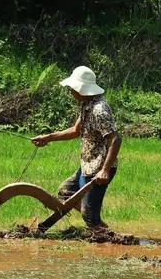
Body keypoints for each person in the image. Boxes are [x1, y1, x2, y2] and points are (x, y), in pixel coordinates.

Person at [31, 66, 122, 230]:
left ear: (82, 88)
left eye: (72, 88)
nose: (70, 91)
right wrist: (48, 137)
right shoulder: (86, 104)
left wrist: (105, 170)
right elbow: (75, 130)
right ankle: (94, 218)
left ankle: (107, 239)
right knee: (66, 191)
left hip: (99, 168)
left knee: (90, 218)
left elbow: (115, 139)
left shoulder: (99, 110)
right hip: (87, 165)